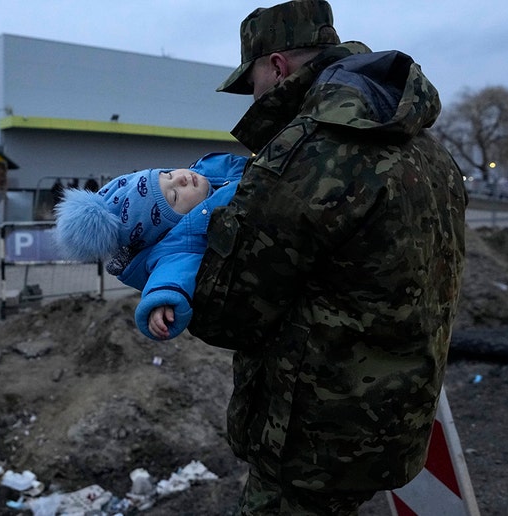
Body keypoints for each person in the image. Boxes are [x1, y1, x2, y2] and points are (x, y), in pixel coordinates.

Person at [186, 1, 468, 513]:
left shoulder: (311, 150)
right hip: (394, 421)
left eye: (250, 79)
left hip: (310, 443)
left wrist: (165, 263)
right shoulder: (426, 147)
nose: (252, 95)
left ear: (276, 66)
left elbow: (229, 316)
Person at [54, 153, 247, 339]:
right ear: (166, 229)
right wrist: (162, 299)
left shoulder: (207, 168)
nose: (180, 179)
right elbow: (171, 273)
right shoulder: (180, 241)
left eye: (168, 174)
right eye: (173, 196)